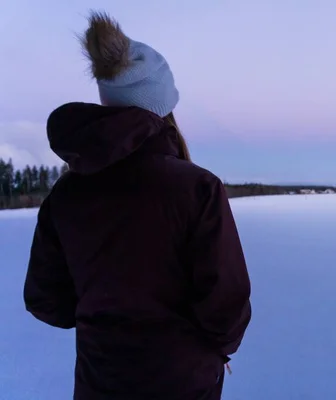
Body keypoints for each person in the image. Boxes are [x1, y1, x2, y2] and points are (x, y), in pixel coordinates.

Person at [23, 11, 251, 400]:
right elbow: (225, 308)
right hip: (183, 382)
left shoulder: (65, 196)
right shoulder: (197, 188)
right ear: (162, 108)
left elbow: (46, 299)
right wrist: (214, 350)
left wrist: (103, 320)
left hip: (100, 382)